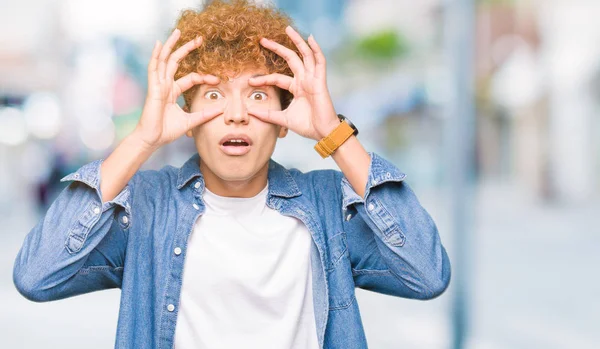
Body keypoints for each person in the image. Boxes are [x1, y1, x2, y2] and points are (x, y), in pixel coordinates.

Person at [13, 0, 451, 348]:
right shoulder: (148, 205)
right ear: (187, 116)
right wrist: (142, 140)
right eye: (214, 95)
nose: (237, 114)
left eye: (258, 94)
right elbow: (37, 275)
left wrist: (332, 131)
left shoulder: (328, 205)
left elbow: (427, 273)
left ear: (284, 119)